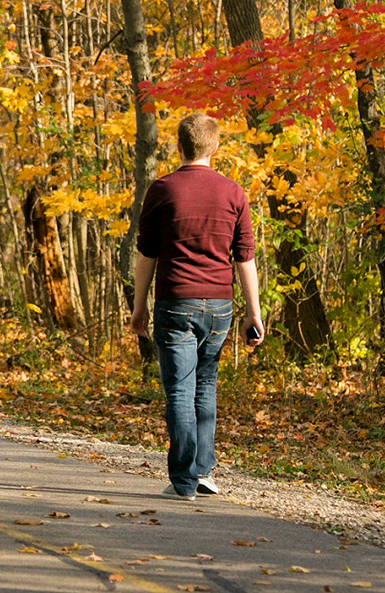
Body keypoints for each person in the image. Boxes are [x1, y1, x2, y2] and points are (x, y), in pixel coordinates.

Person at [129, 113, 264, 500]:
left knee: (180, 390)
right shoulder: (233, 193)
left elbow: (147, 256)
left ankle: (185, 480)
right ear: (215, 148)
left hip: (176, 303)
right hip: (220, 306)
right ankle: (202, 470)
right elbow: (245, 258)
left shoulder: (162, 189)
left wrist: (139, 307)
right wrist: (253, 313)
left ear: (178, 147)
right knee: (205, 385)